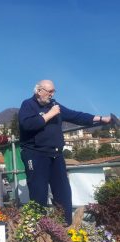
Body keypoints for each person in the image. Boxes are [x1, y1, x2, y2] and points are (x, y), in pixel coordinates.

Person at [18, 80, 111, 224]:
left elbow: (75, 116)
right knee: (38, 193)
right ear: (39, 91)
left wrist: (100, 119)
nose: (52, 94)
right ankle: (37, 229)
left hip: (56, 154)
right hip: (35, 154)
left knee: (63, 193)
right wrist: (49, 114)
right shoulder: (28, 105)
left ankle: (64, 227)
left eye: (54, 91)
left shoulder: (55, 106)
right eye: (49, 91)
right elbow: (27, 125)